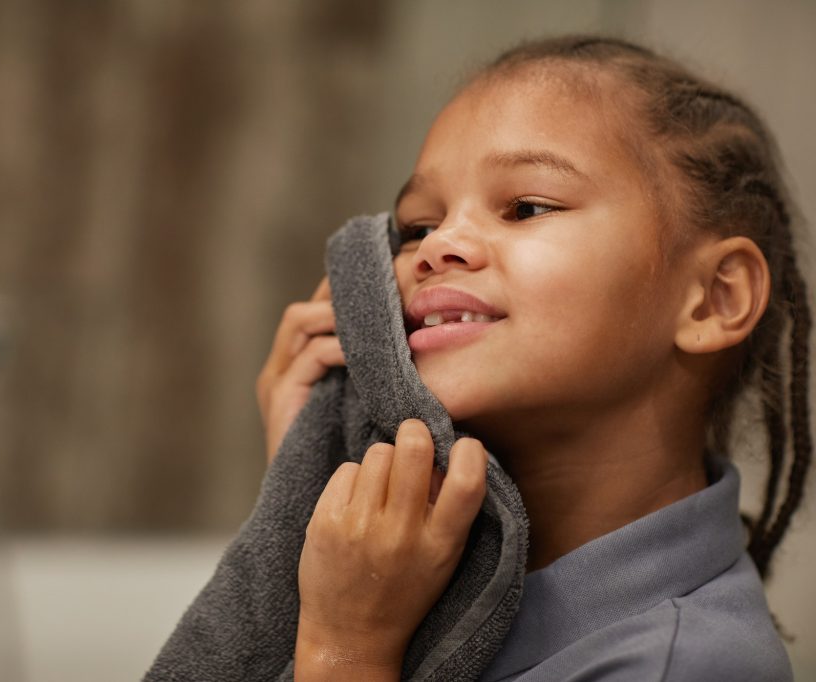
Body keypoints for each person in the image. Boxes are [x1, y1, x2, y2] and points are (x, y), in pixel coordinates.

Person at [256, 36, 809, 680]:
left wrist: (346, 647)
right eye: (417, 228)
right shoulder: (413, 575)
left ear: (714, 298)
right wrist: (304, 486)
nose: (440, 247)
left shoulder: (685, 663)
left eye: (526, 208)